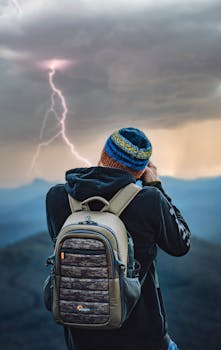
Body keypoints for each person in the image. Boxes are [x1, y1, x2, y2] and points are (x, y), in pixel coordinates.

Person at [46, 127, 191, 350]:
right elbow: (181, 243)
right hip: (144, 339)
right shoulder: (149, 200)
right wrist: (156, 185)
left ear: (103, 153)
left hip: (81, 337)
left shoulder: (56, 198)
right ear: (141, 170)